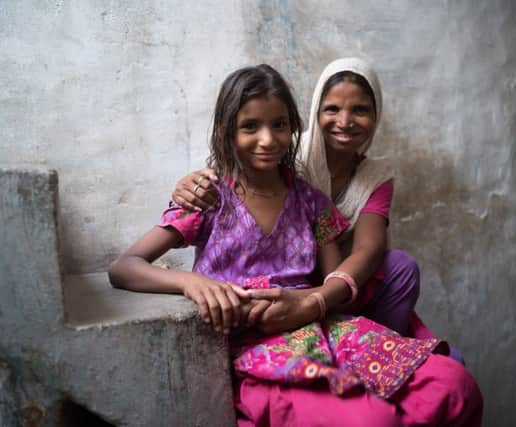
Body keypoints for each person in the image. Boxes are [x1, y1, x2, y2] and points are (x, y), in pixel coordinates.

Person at [110, 63, 482, 426]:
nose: (268, 140)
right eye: (250, 127)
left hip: (322, 326)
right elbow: (124, 267)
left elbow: (334, 280)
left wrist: (310, 303)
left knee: (455, 386)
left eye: (279, 125)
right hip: (255, 348)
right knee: (373, 419)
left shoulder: (311, 202)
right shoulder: (210, 199)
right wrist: (191, 284)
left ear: (293, 128)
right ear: (226, 131)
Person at [171, 58, 464, 363]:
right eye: (332, 109)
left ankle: (375, 356)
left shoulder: (372, 176)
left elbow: (369, 249)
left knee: (404, 274)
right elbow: (232, 171)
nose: (345, 121)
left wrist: (316, 300)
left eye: (361, 110)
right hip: (289, 285)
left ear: (377, 115)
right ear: (314, 112)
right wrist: (191, 185)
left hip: (338, 283)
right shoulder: (282, 152)